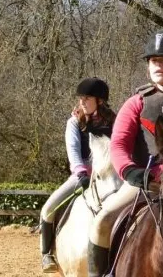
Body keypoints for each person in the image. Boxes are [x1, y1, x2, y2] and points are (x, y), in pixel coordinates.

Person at [87, 28, 163, 277]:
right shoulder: (137, 103)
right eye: (154, 61)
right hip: (146, 182)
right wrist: (131, 172)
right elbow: (119, 145)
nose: (159, 66)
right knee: (102, 223)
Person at [40, 77, 116, 273]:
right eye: (81, 98)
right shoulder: (74, 122)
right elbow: (73, 149)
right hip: (82, 175)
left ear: (100, 100)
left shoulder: (115, 122)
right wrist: (80, 170)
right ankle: (46, 253)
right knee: (48, 209)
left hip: (112, 176)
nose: (81, 102)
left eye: (87, 98)